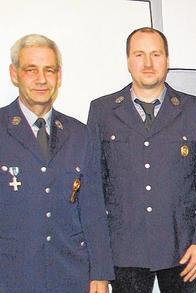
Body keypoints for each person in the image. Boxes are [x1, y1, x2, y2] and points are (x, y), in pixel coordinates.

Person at [87, 27, 196, 293]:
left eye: (156, 54)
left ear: (168, 61)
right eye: (139, 54)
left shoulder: (195, 110)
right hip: (124, 251)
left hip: (184, 249)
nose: (148, 63)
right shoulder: (102, 112)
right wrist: (98, 262)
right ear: (128, 61)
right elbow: (93, 191)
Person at [0, 34, 113, 292]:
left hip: (70, 274)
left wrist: (100, 272)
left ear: (59, 76)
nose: (41, 79)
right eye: (31, 70)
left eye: (49, 70)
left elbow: (93, 209)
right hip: (10, 275)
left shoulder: (80, 134)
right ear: (14, 74)